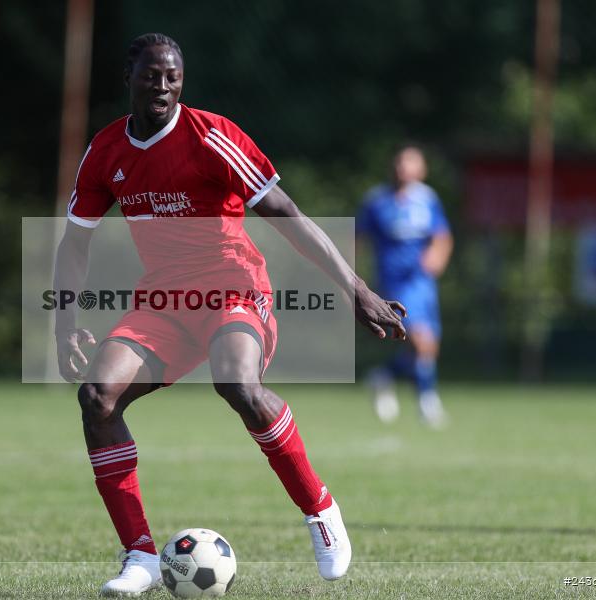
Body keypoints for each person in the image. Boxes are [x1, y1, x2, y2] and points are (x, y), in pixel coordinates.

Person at [54, 33, 407, 596]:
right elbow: (75, 243)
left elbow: (287, 215)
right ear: (130, 77)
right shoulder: (105, 152)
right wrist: (65, 322)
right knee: (98, 397)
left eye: (173, 76)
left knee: (237, 383)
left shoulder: (212, 136)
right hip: (165, 301)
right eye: (152, 75)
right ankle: (140, 556)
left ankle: (320, 510)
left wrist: (357, 289)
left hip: (233, 287)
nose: (164, 86)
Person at [357, 145, 454, 428]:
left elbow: (442, 236)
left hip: (422, 282)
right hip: (393, 282)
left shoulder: (427, 199)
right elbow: (358, 238)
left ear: (421, 170)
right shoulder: (376, 201)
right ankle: (428, 402)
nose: (404, 169)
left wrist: (437, 256)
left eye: (411, 163)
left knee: (428, 346)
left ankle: (384, 375)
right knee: (421, 340)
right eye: (400, 163)